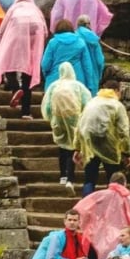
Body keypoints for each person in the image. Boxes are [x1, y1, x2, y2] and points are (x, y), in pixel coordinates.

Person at [74, 170, 130, 259]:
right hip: (124, 240)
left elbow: (80, 209)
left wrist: (85, 225)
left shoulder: (99, 195)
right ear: (124, 183)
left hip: (98, 238)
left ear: (110, 182)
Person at [0, 0, 50, 117]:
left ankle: (15, 88)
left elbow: (2, 29)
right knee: (28, 76)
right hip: (33, 41)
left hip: (15, 38)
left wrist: (2, 46)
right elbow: (45, 30)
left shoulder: (14, 8)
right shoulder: (35, 9)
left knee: (8, 65)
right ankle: (26, 112)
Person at [43, 60, 93, 188]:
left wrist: (50, 118)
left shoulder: (54, 86)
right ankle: (70, 178)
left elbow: (47, 106)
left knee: (62, 146)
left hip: (58, 119)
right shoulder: (78, 86)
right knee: (72, 146)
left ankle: (62, 176)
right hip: (74, 119)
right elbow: (87, 103)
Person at [76, 89, 130, 196]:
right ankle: (112, 205)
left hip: (90, 145)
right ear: (116, 91)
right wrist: (127, 152)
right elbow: (123, 131)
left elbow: (79, 125)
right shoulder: (117, 105)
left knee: (89, 179)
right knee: (113, 179)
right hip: (109, 146)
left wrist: (77, 148)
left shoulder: (91, 103)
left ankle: (86, 206)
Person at [42, 19, 98, 92]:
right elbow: (87, 66)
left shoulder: (53, 42)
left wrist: (46, 75)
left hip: (55, 82)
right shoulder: (80, 42)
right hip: (77, 81)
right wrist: (89, 84)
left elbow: (45, 64)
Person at [76, 15, 106, 91]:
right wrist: (100, 73)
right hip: (93, 72)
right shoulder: (94, 38)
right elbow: (100, 60)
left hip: (78, 73)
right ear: (88, 24)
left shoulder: (75, 36)